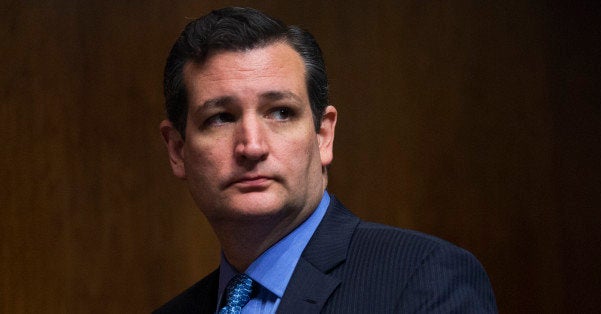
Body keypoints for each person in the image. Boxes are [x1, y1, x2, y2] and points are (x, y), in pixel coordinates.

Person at [155, 6, 497, 313]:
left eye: (280, 112)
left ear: (323, 137)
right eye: (220, 118)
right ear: (177, 150)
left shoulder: (424, 278)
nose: (252, 146)